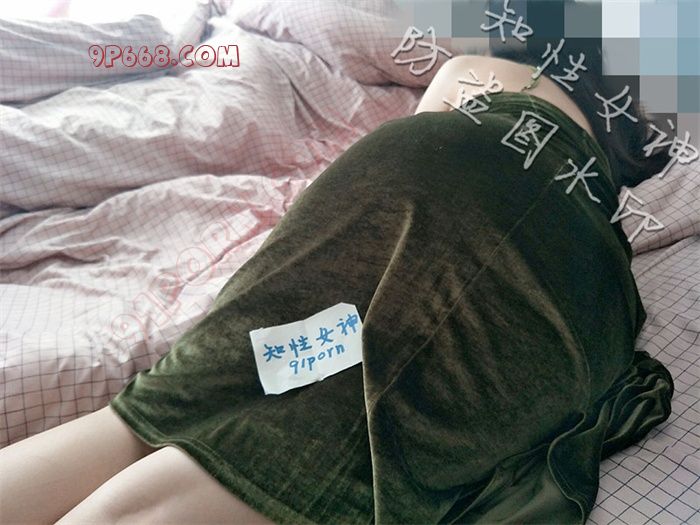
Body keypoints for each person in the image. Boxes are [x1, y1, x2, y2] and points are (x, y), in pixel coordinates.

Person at [0, 24, 674, 525]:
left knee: (175, 399)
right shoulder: (636, 136)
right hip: (559, 240)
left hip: (411, 168)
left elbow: (431, 144)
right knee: (335, 437)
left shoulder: (476, 66)